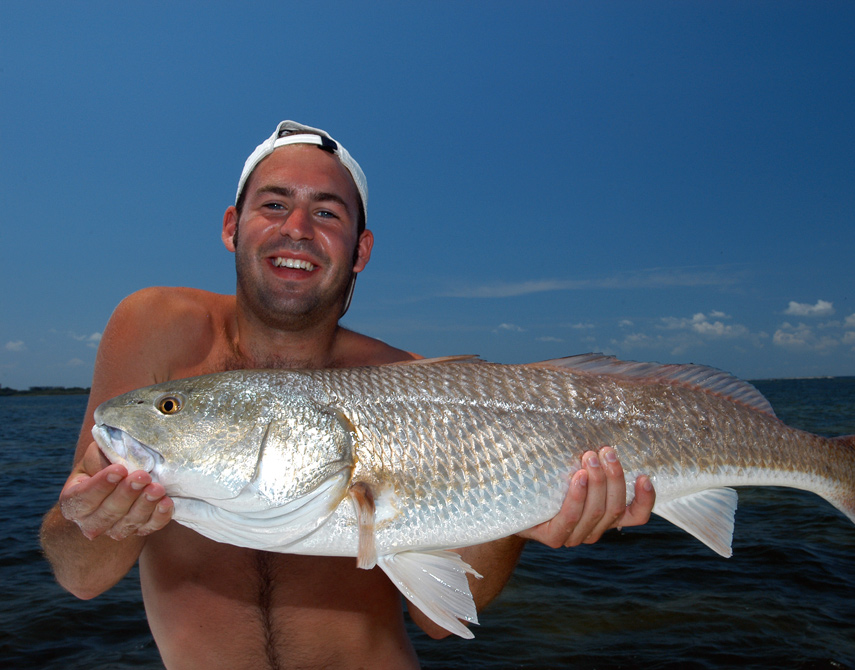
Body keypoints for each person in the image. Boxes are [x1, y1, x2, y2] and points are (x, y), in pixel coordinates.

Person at [39, 120, 656, 669]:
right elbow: (79, 577)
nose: (298, 230)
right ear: (233, 226)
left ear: (360, 249)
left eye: (328, 213)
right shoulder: (156, 330)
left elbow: (442, 620)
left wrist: (519, 511)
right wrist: (92, 520)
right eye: (274, 204)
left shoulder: (417, 386)